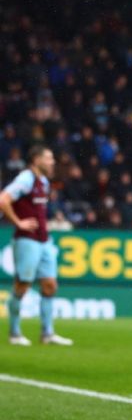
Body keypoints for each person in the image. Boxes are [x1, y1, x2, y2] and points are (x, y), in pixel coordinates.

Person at [0, 146, 72, 346]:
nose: (52, 162)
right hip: (27, 239)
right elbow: (3, 199)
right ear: (36, 160)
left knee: (50, 285)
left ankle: (47, 333)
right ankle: (14, 333)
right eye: (48, 158)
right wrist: (18, 222)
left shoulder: (44, 182)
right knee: (22, 286)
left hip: (44, 240)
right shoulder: (26, 179)